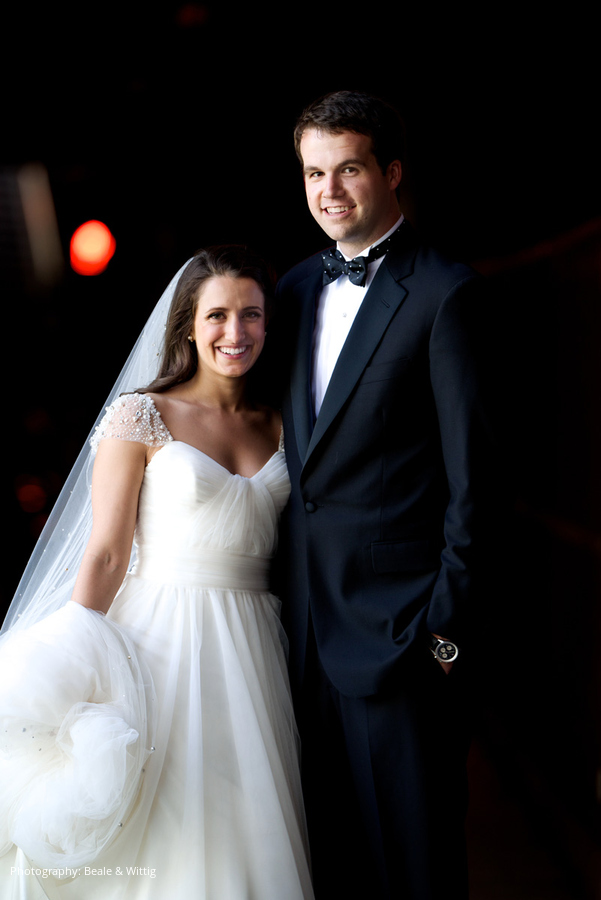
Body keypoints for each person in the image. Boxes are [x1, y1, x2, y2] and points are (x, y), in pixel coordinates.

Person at [0, 246, 314, 900]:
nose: (235, 333)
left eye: (250, 315)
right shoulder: (139, 415)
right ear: (188, 326)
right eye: (218, 315)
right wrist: (75, 673)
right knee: (164, 817)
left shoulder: (283, 421)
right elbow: (107, 553)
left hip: (256, 644)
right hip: (159, 642)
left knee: (247, 820)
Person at [273, 90, 496, 899]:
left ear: (392, 172)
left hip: (402, 643)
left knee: (414, 865)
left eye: (349, 169)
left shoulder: (447, 295)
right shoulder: (292, 289)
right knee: (324, 861)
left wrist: (441, 645)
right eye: (312, 173)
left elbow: (479, 490)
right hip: (296, 637)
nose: (328, 191)